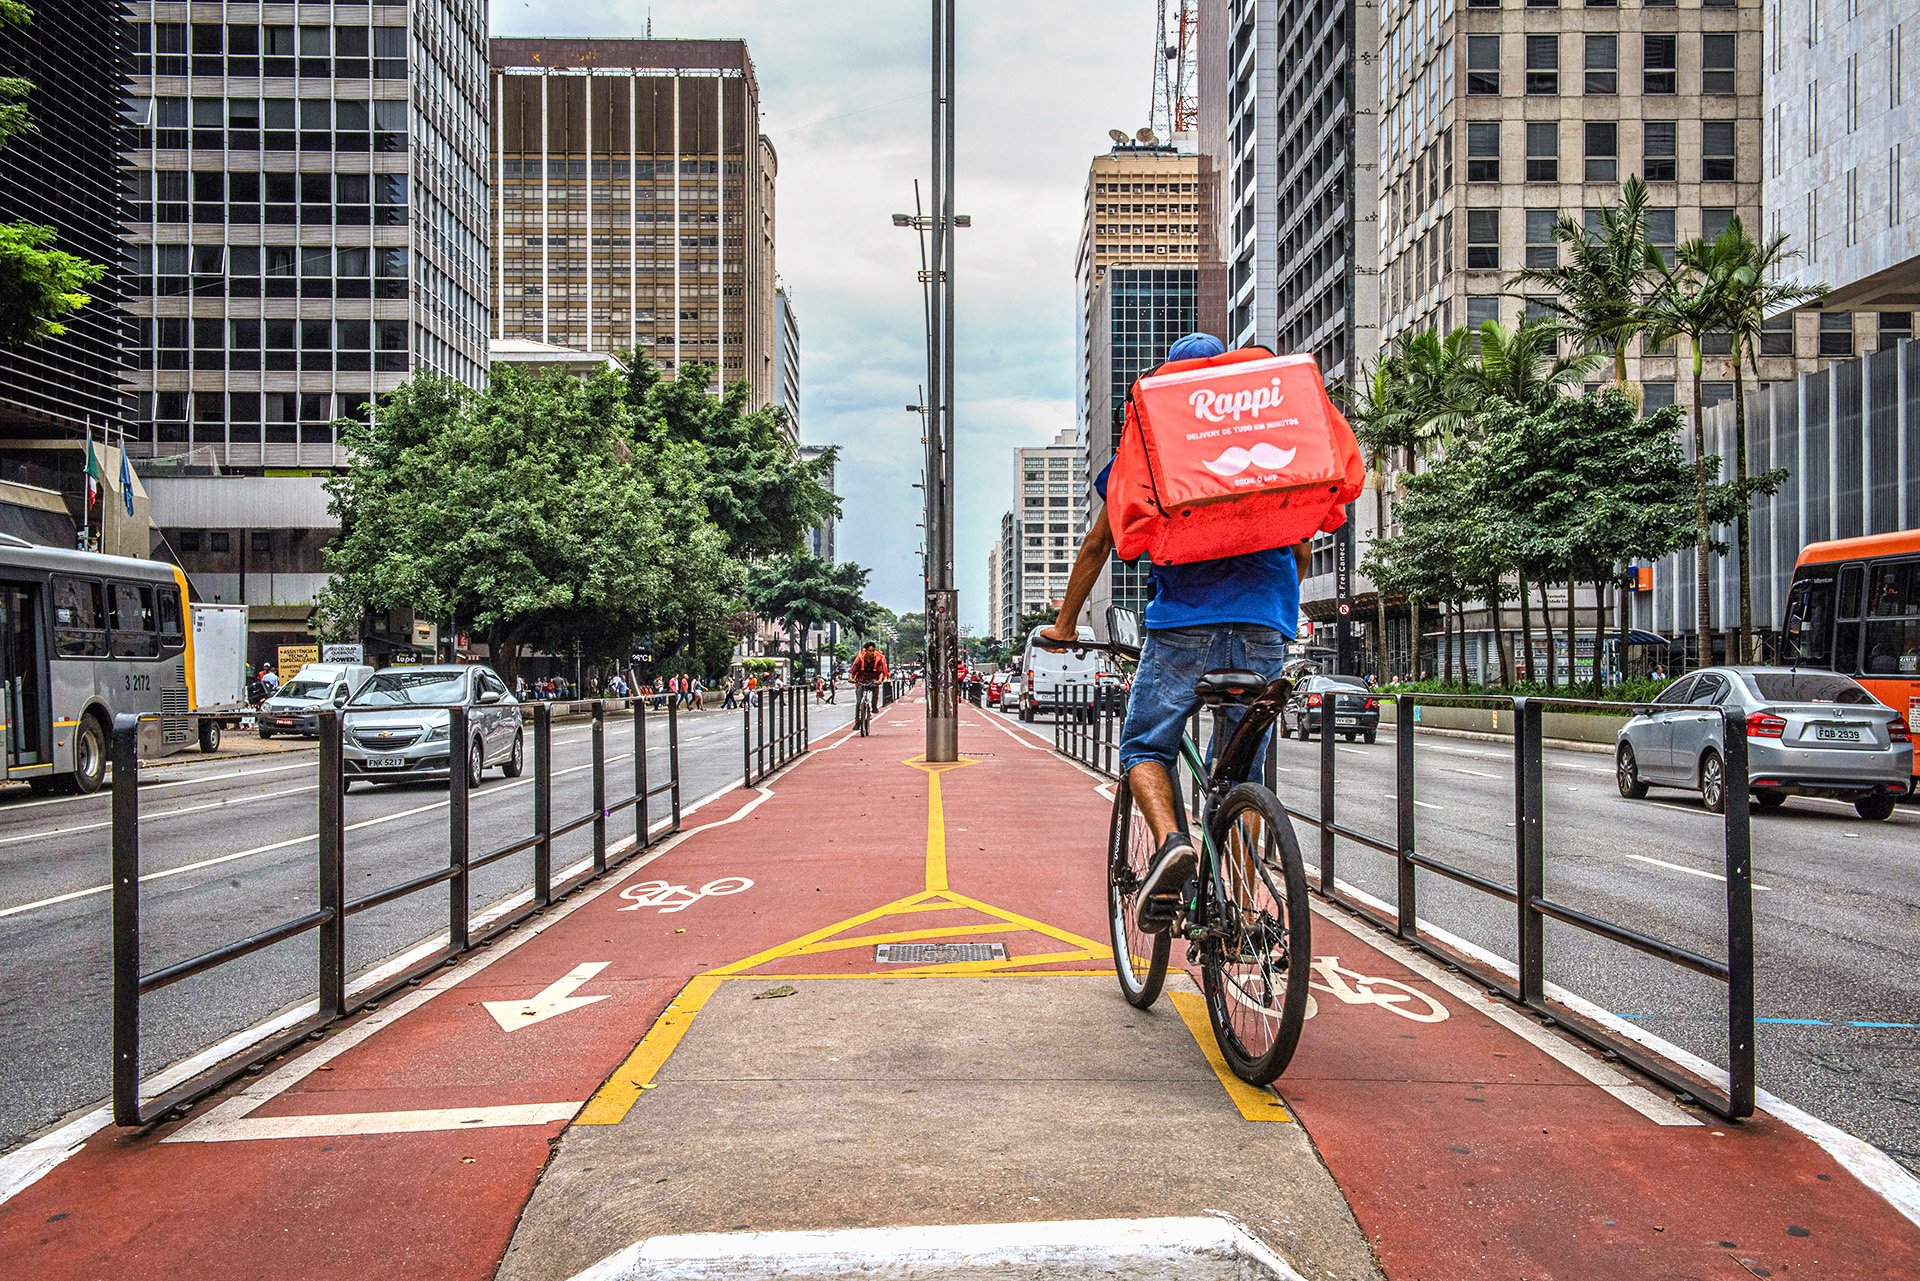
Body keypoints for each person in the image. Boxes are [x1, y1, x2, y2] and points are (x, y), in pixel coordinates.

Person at [1040, 332, 1311, 936]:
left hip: (1183, 625)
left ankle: (1169, 846)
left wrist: (1064, 627)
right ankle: (1240, 914)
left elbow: (1097, 545)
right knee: (1241, 776)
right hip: (1265, 626)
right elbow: (1300, 543)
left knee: (1144, 747)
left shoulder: (1154, 447)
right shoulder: (1266, 440)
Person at [848, 640, 890, 719]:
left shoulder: (878, 660)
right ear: (866, 651)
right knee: (858, 702)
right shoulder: (860, 660)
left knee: (875, 689)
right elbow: (852, 671)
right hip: (861, 681)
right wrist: (850, 678)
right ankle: (857, 722)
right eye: (870, 651)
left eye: (873, 650)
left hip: (872, 680)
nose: (872, 653)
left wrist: (879, 680)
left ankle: (874, 706)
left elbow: (881, 671)